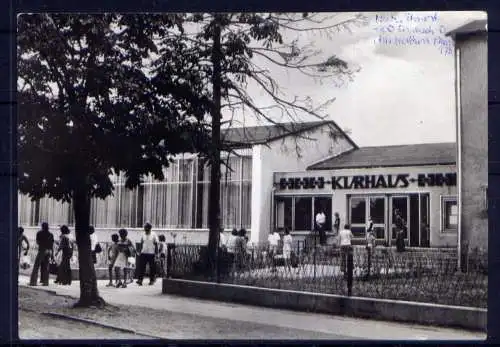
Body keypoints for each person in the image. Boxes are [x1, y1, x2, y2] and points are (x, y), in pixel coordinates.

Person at [29, 222, 54, 286]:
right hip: (49, 251)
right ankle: (45, 282)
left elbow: (37, 242)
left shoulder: (39, 233)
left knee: (36, 266)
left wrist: (42, 244)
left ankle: (33, 282)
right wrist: (52, 254)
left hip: (42, 250)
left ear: (42, 226)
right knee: (46, 267)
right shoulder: (51, 234)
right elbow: (52, 245)